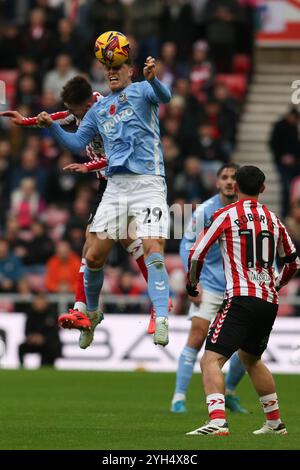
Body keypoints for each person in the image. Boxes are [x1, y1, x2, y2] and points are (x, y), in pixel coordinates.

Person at [0, 75, 166, 346]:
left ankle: (85, 309)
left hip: (124, 180)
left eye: (76, 110)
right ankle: (92, 309)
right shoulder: (78, 112)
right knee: (119, 242)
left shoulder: (107, 111)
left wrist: (87, 167)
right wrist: (26, 121)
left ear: (87, 103)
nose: (75, 117)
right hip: (108, 185)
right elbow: (55, 118)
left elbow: (118, 154)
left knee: (103, 240)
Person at [186, 165, 300, 436]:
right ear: (263, 189)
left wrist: (192, 283)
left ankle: (217, 421)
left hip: (240, 297)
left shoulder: (224, 215)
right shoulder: (273, 219)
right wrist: (277, 283)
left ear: (234, 187)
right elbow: (293, 262)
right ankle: (274, 423)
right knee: (251, 359)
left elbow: (197, 253)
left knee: (210, 360)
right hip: (268, 301)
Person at [171, 163, 248, 414]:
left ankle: (231, 392)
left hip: (239, 287)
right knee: (196, 337)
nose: (229, 181)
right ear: (217, 183)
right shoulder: (205, 211)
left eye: (233, 177)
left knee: (246, 347)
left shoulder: (248, 211)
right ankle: (179, 398)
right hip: (211, 286)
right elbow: (186, 245)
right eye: (224, 177)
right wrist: (195, 281)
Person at [18, 294, 62, 368]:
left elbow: (55, 331)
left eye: (41, 303)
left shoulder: (52, 313)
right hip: (34, 341)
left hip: (49, 342)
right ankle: (22, 367)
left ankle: (46, 366)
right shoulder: (31, 313)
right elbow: (27, 330)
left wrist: (43, 338)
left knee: (50, 348)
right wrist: (32, 337)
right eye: (37, 303)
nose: (39, 305)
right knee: (21, 347)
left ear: (45, 303)